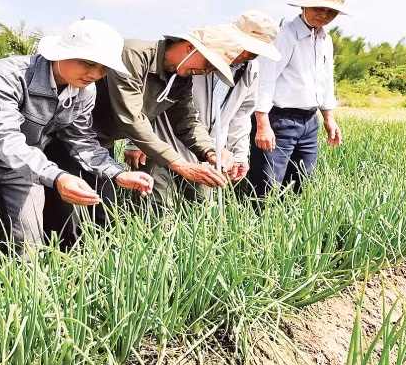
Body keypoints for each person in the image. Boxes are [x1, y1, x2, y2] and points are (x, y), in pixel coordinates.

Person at [0, 19, 153, 258]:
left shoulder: (85, 90)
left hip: (26, 165)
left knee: (29, 245)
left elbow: (81, 139)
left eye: (104, 68)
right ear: (63, 52)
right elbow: (4, 139)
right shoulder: (2, 77)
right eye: (89, 63)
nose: (95, 74)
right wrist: (57, 177)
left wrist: (117, 172)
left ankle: (22, 290)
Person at [43, 22, 253, 240]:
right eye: (208, 63)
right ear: (190, 47)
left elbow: (187, 121)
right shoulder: (133, 55)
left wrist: (210, 151)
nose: (205, 72)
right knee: (65, 214)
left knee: (102, 214)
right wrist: (180, 165)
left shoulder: (180, 79)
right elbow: (131, 118)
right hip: (68, 139)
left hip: (100, 146)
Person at [124, 10, 281, 205]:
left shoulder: (251, 69)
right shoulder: (198, 53)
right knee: (157, 210)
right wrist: (135, 142)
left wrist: (239, 154)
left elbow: (241, 113)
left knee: (201, 211)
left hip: (208, 151)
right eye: (249, 46)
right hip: (161, 142)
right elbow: (148, 95)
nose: (252, 54)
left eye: (259, 50)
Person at [249, 0, 349, 197]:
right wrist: (262, 124)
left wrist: (329, 118)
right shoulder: (284, 35)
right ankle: (261, 226)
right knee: (267, 184)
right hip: (279, 119)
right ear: (304, 7)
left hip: (309, 121)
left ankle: (288, 227)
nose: (323, 15)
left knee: (301, 182)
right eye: (318, 9)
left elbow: (325, 80)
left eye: (330, 11)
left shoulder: (325, 39)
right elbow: (265, 79)